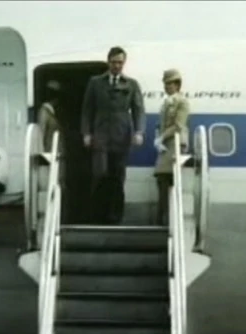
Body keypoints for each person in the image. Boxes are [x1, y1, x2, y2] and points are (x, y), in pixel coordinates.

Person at [81, 46, 146, 225]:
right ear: (108, 62)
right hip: (100, 136)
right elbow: (87, 110)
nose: (117, 65)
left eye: (120, 62)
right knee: (100, 174)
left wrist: (139, 132)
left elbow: (139, 110)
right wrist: (86, 133)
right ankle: (97, 216)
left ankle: (115, 217)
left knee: (118, 177)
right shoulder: (95, 83)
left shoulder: (131, 84)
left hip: (121, 136)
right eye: (114, 62)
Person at [153, 69, 190, 226]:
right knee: (162, 179)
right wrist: (158, 138)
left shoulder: (182, 102)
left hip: (175, 144)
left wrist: (161, 137)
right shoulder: (166, 102)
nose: (167, 86)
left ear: (177, 85)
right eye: (165, 83)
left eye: (170, 83)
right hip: (165, 147)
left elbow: (178, 125)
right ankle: (162, 218)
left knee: (168, 179)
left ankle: (166, 220)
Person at [38, 80, 63, 154]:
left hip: (58, 152)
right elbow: (41, 134)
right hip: (49, 153)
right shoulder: (44, 111)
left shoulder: (56, 112)